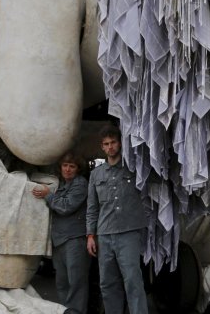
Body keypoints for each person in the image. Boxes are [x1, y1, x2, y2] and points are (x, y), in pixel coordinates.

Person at [86, 126, 148, 314]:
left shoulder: (135, 167)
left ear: (120, 143)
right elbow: (92, 207)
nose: (110, 147)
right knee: (107, 283)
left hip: (128, 233)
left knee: (133, 282)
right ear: (102, 148)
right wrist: (90, 235)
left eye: (113, 142)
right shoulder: (96, 175)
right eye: (106, 144)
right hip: (104, 235)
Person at [35, 151, 90, 314]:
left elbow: (66, 207)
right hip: (59, 240)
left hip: (75, 239)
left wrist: (48, 196)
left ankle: (76, 312)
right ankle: (67, 311)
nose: (67, 169)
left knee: (76, 282)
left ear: (78, 169)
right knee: (62, 282)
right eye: (65, 165)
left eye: (72, 166)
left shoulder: (80, 184)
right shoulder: (61, 184)